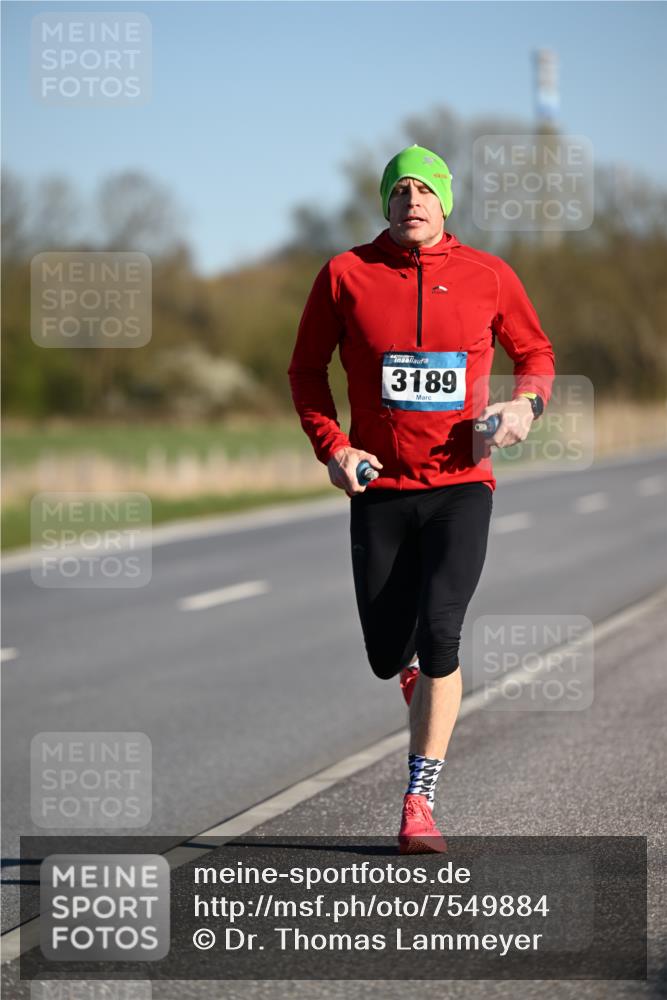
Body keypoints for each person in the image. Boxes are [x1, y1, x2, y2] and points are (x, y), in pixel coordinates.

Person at [288, 144, 555, 853]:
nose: (413, 199)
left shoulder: (487, 275)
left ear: (445, 202)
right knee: (386, 651)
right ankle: (416, 678)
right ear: (384, 202)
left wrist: (526, 405)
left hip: (461, 485)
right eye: (400, 188)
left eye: (425, 189)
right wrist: (334, 447)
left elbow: (535, 353)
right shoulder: (345, 274)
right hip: (378, 487)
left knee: (441, 627)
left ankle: (418, 801)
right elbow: (306, 370)